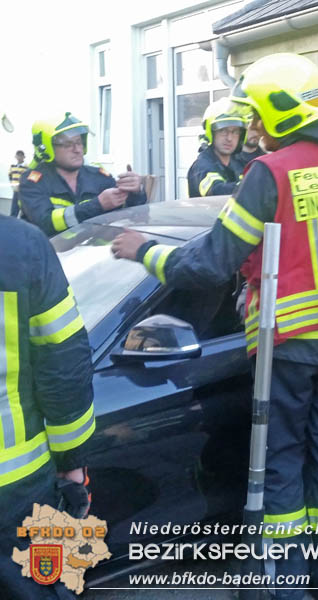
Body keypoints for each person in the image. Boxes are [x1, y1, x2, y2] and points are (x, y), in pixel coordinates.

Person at [111, 52, 318, 599]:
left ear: (283, 113)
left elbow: (212, 260)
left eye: (259, 117)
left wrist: (145, 251)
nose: (254, 130)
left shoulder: (271, 171)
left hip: (294, 344)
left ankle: (281, 588)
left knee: (282, 463)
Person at [0, 114, 96, 600]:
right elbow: (64, 364)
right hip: (14, 484)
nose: (76, 146)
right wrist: (72, 462)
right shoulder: (19, 246)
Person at [18, 113, 146, 237]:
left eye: (79, 142)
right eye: (68, 144)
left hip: (95, 255)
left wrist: (136, 193)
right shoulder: (31, 183)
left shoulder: (99, 176)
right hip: (52, 255)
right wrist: (98, 205)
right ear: (46, 148)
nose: (77, 150)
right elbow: (45, 222)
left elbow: (132, 217)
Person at [187, 98, 248, 198]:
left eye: (235, 132)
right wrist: (250, 186)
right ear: (211, 133)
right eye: (223, 131)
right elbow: (216, 191)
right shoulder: (201, 165)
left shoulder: (239, 163)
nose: (229, 138)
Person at [8, 150, 27, 217]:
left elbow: (28, 178)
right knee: (14, 208)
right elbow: (10, 175)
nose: (19, 157)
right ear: (15, 156)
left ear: (24, 157)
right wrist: (12, 184)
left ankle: (24, 222)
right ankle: (13, 222)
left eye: (21, 155)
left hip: (23, 191)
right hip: (15, 190)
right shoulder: (12, 166)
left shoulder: (27, 167)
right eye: (18, 155)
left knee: (24, 207)